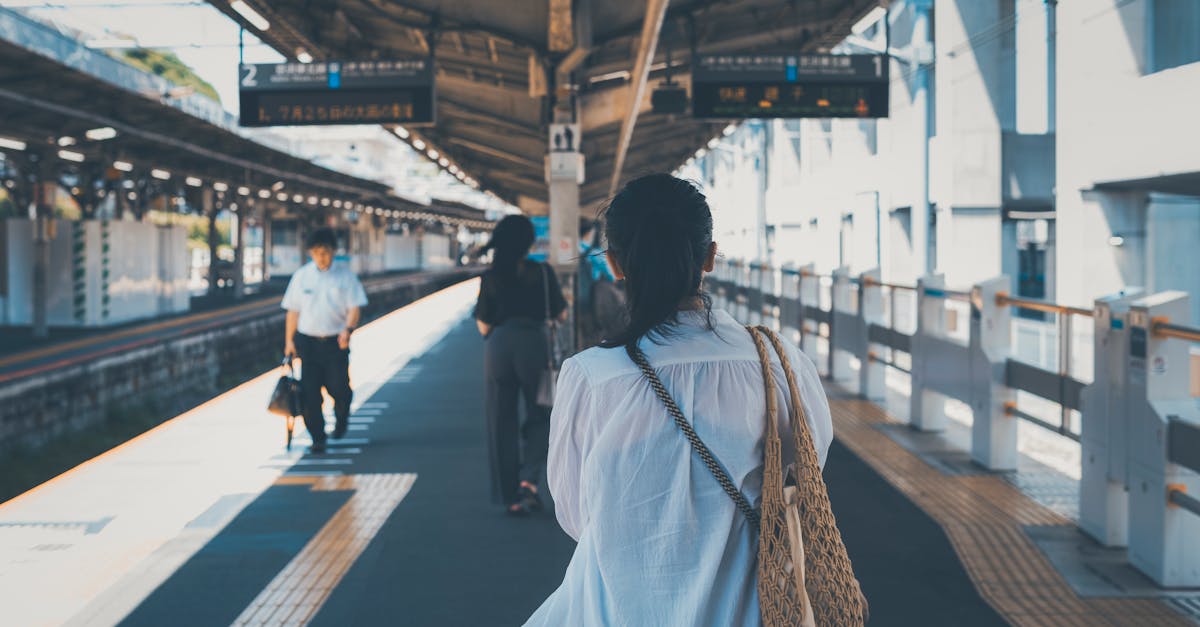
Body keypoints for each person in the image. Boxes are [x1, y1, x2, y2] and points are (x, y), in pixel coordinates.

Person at [526, 174, 835, 625]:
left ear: (614, 264)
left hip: (613, 609)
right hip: (753, 607)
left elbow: (576, 513)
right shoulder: (778, 362)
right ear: (709, 257)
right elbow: (807, 468)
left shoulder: (589, 377)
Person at [474, 215, 568, 516]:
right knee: (541, 413)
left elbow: (483, 326)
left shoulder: (490, 277)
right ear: (529, 243)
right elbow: (561, 314)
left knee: (500, 419)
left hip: (498, 349)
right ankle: (529, 482)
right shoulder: (542, 273)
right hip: (535, 347)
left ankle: (509, 494)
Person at [282, 227, 368, 455]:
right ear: (310, 252)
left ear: (334, 251)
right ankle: (318, 437)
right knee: (309, 394)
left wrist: (348, 330)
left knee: (339, 388)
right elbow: (293, 312)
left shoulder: (346, 277)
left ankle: (341, 418)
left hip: (335, 343)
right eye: (318, 251)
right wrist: (289, 342)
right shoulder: (301, 277)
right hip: (308, 344)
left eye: (326, 251)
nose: (322, 256)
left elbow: (354, 308)